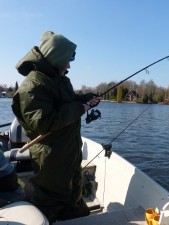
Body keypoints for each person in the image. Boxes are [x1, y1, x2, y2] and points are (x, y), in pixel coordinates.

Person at [11, 31, 101, 223]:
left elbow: (66, 102)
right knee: (50, 203)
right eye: (67, 60)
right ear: (56, 57)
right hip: (51, 158)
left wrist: (85, 99)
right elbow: (44, 123)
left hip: (69, 151)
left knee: (74, 196)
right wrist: (80, 107)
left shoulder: (59, 78)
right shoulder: (32, 86)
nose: (69, 66)